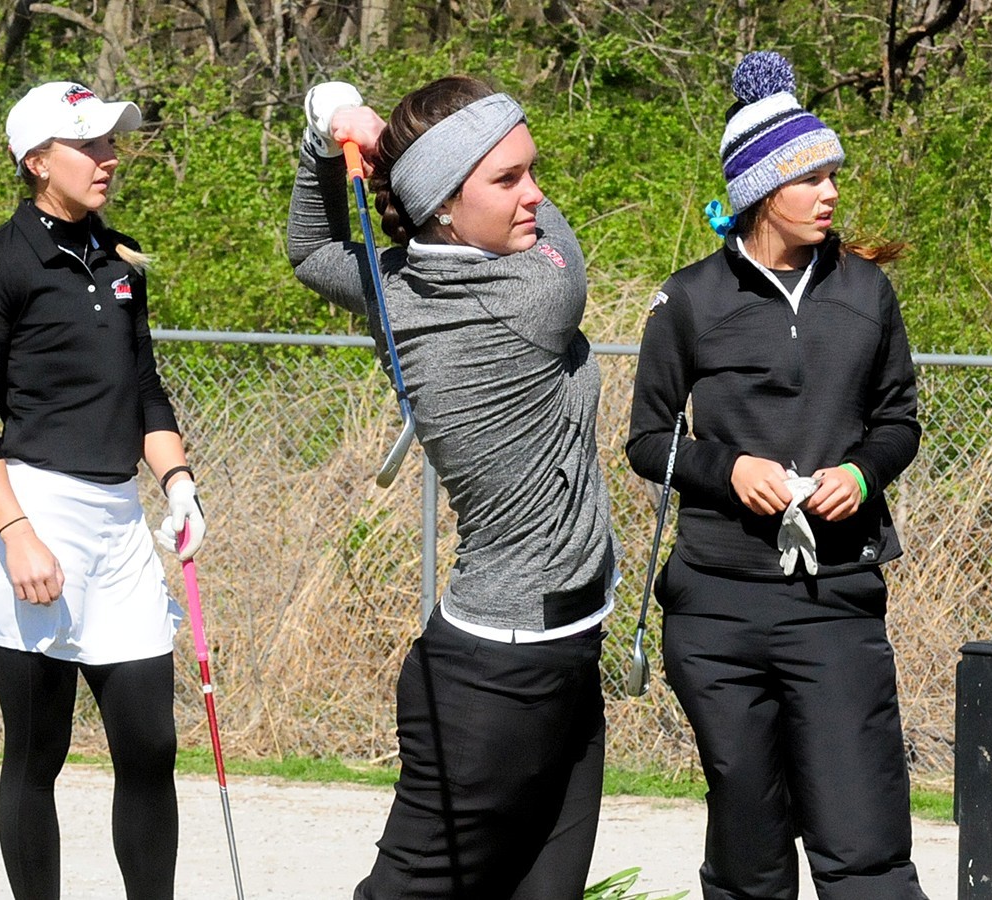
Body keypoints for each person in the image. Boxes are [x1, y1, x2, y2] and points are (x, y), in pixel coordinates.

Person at [287, 76, 619, 899]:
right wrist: (364, 139)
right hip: (501, 679)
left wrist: (326, 137)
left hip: (558, 653)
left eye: (531, 171)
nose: (535, 194)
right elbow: (559, 238)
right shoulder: (541, 290)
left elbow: (309, 250)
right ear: (439, 205)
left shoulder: (394, 290)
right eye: (507, 179)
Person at [626, 51, 928, 900]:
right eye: (810, 176)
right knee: (750, 857)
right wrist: (729, 470)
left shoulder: (867, 293)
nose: (830, 191)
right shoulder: (687, 300)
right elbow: (649, 441)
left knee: (863, 844)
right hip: (714, 607)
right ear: (762, 189)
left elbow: (899, 421)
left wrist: (863, 477)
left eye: (833, 174)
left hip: (834, 600)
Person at [0, 80, 206, 900]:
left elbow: (147, 393)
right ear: (35, 160)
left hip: (120, 524)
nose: (109, 157)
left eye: (110, 143)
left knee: (150, 747)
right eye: (88, 145)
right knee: (37, 752)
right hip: (31, 516)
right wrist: (16, 533)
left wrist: (179, 483)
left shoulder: (119, 259)